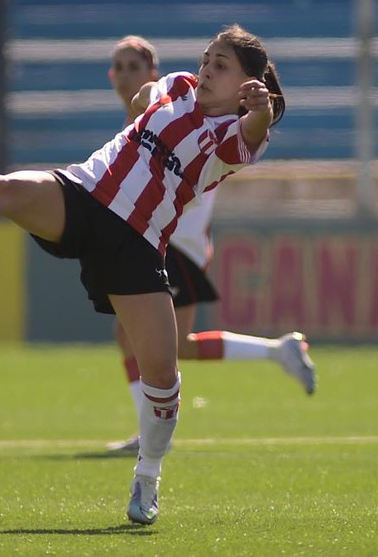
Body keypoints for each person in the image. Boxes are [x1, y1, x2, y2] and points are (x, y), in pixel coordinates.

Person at [0, 24, 285, 526]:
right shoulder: (178, 84)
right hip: (84, 192)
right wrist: (141, 99)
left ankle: (147, 478)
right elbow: (144, 98)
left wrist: (260, 110)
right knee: (7, 189)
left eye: (220, 66)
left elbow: (252, 131)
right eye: (207, 58)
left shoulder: (233, 136)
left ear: (246, 83)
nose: (206, 69)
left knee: (161, 371)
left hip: (136, 242)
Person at [104, 36, 317, 456]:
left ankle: (276, 353)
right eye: (118, 67)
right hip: (165, 240)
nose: (124, 75)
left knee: (164, 343)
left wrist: (260, 110)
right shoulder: (158, 112)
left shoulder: (191, 109)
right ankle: (277, 352)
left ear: (151, 72)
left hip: (175, 242)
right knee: (139, 336)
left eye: (133, 67)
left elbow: (248, 133)